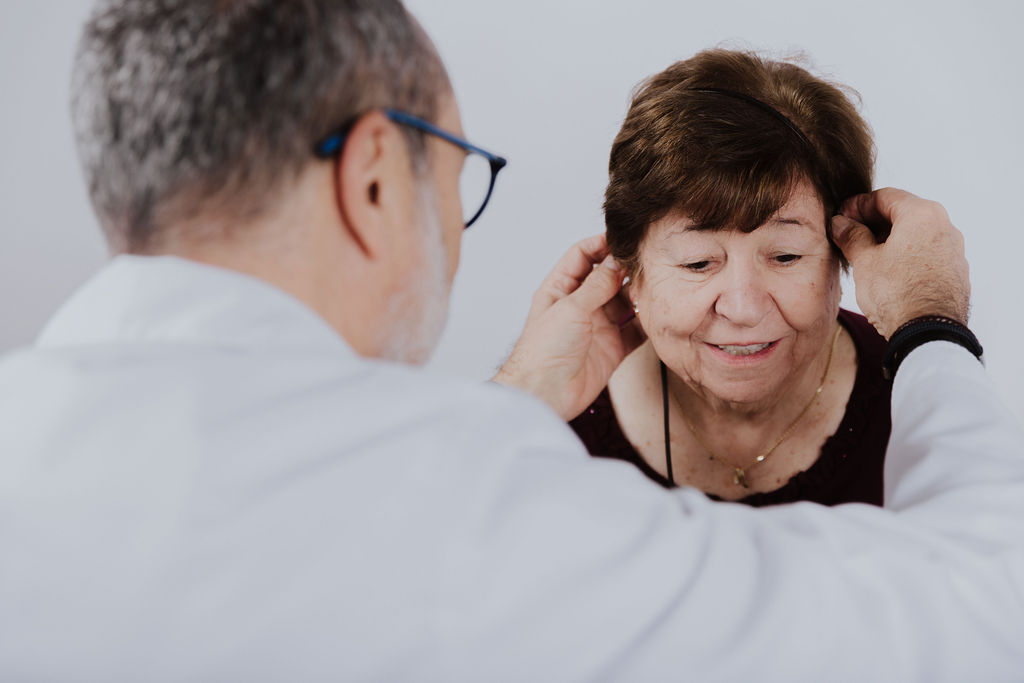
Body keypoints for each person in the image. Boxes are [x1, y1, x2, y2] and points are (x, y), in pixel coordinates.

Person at [0, 1, 1020, 680]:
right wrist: (931, 325)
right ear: (369, 179)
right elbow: (985, 603)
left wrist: (506, 407)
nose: (741, 304)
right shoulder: (473, 497)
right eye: (452, 169)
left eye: (784, 257)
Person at [570, 50, 891, 506]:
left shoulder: (915, 391)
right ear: (630, 271)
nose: (742, 309)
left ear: (844, 256)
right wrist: (526, 390)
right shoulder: (556, 412)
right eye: (698, 263)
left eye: (785, 256)